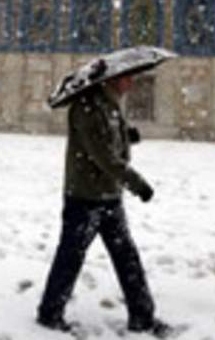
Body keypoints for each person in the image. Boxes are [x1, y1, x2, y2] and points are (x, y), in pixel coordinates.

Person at [37, 72, 172, 337]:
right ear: (113, 79)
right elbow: (103, 156)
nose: (131, 84)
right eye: (127, 79)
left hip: (109, 197)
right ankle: (50, 314)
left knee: (127, 258)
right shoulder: (87, 107)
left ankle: (142, 317)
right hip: (85, 198)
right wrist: (137, 183)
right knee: (70, 258)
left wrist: (126, 135)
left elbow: (108, 142)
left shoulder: (109, 104)